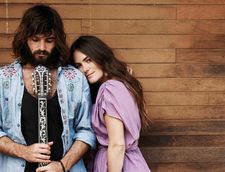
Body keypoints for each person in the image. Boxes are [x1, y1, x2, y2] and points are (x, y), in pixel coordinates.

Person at [0, 5, 96, 172]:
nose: (42, 47)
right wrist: (24, 151)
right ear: (24, 39)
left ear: (57, 40)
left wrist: (62, 165)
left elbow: (86, 131)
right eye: (35, 39)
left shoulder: (74, 79)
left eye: (49, 40)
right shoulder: (3, 78)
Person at [70, 35, 151, 172]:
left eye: (88, 60)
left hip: (119, 164)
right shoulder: (121, 85)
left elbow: (117, 144)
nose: (85, 69)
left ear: (100, 56)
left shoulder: (110, 89)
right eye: (79, 65)